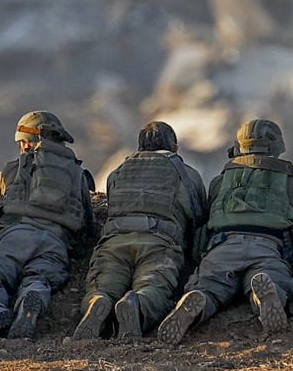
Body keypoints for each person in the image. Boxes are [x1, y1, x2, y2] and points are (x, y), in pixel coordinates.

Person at [154, 118, 293, 345]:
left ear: (239, 147)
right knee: (273, 278)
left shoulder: (221, 181)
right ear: (277, 146)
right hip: (268, 245)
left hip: (223, 245)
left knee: (210, 285)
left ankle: (198, 298)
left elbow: (205, 222)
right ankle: (265, 295)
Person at [0, 110, 97, 340]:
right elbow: (87, 227)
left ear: (26, 143)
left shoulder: (12, 169)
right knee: (39, 278)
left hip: (14, 238)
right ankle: (31, 298)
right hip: (54, 243)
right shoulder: (78, 174)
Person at [71, 120, 207, 341]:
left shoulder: (118, 171)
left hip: (115, 241)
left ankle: (98, 301)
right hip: (159, 242)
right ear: (174, 147)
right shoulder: (187, 174)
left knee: (104, 281)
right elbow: (197, 217)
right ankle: (137, 305)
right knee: (153, 285)